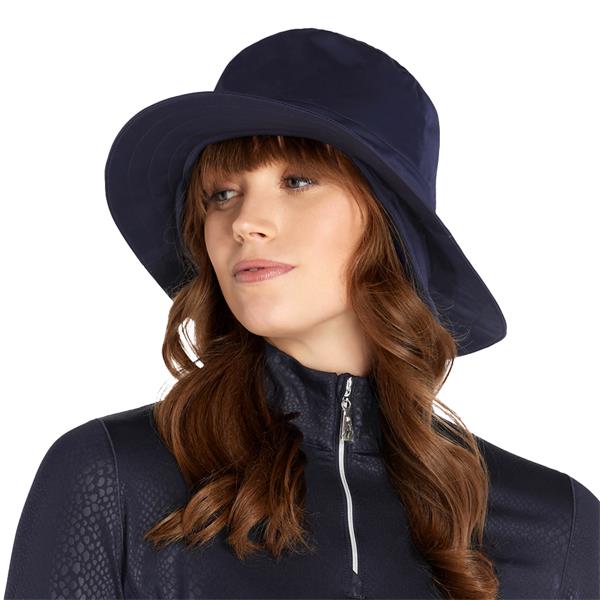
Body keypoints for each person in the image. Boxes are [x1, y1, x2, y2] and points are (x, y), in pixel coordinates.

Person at [5, 27, 599, 600]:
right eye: (221, 194)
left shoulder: (558, 527)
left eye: (296, 180)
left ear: (388, 221)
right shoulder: (113, 476)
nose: (244, 222)